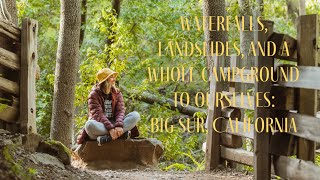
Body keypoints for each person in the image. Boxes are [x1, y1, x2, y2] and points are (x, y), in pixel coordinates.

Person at [77, 68, 140, 146]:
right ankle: (121, 134)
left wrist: (119, 126)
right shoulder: (93, 95)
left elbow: (120, 111)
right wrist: (110, 129)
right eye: (111, 77)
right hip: (101, 125)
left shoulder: (117, 93)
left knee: (135, 115)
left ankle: (107, 138)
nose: (114, 79)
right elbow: (98, 115)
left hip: (115, 124)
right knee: (89, 125)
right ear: (105, 80)